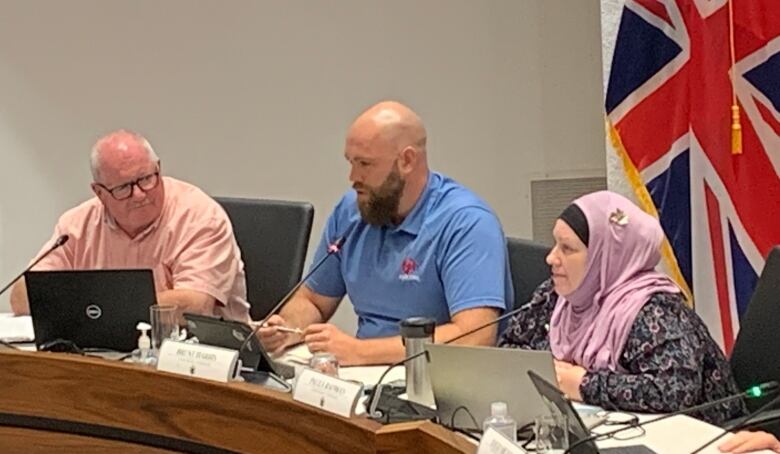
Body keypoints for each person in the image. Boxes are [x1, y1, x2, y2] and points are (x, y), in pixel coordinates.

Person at [259, 101, 512, 366]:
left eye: (365, 164)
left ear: (406, 161)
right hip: (361, 377)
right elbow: (313, 300)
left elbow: (474, 337)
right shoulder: (351, 211)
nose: (353, 176)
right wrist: (285, 328)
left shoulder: (467, 222)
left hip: (437, 382)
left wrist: (360, 352)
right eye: (351, 162)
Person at [498, 190, 745, 425]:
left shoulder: (654, 311)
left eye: (567, 249)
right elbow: (509, 350)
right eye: (555, 244)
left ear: (605, 257)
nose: (551, 258)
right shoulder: (555, 297)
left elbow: (673, 392)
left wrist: (582, 384)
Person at [10, 130, 250, 322]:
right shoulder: (76, 225)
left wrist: (93, 305)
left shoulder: (200, 217)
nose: (139, 195)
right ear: (100, 192)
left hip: (200, 362)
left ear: (159, 168)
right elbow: (22, 296)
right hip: (105, 358)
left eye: (146, 179)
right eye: (123, 188)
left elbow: (195, 306)